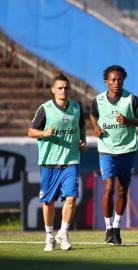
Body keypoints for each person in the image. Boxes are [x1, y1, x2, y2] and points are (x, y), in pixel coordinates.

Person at [90, 65, 138, 245]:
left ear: (123, 80)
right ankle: (108, 228)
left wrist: (129, 121)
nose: (116, 82)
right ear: (106, 81)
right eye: (113, 80)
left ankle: (117, 228)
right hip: (107, 150)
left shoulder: (131, 99)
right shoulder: (98, 100)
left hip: (127, 150)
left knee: (122, 190)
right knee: (108, 188)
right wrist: (95, 127)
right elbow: (93, 114)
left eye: (119, 79)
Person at [28, 73, 87, 251]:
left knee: (71, 198)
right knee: (49, 202)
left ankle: (63, 232)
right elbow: (31, 131)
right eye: (60, 88)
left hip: (71, 160)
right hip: (49, 162)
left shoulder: (77, 108)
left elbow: (81, 125)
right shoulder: (45, 109)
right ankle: (49, 235)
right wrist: (44, 133)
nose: (63, 91)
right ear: (53, 90)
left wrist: (83, 140)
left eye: (66, 88)